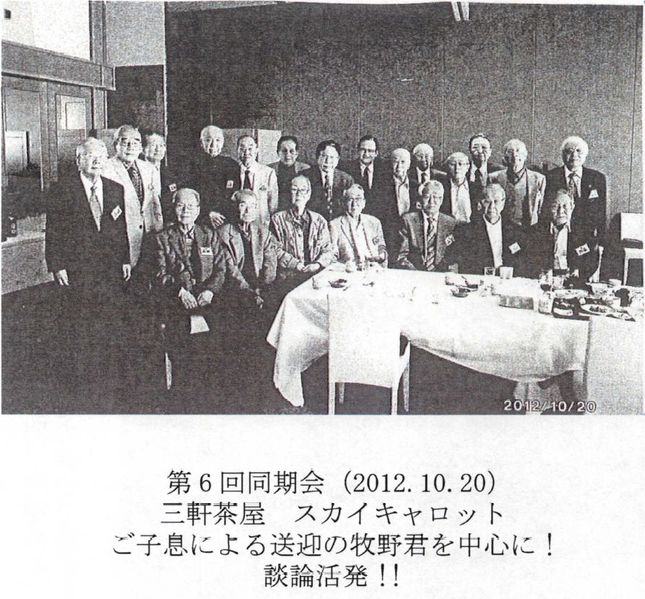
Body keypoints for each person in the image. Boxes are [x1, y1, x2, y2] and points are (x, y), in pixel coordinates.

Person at [45, 137, 131, 403]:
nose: (96, 160)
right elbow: (54, 231)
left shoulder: (115, 188)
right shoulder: (62, 190)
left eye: (100, 156)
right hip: (78, 270)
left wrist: (125, 259)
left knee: (109, 322)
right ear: (78, 160)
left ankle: (108, 379)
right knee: (81, 324)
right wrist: (57, 265)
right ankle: (82, 383)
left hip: (109, 270)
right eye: (90, 155)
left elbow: (120, 229)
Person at [102, 125, 163, 271]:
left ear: (141, 147)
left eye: (135, 142)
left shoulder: (149, 169)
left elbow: (156, 204)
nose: (131, 147)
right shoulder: (105, 169)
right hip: (122, 240)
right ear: (115, 145)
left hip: (149, 236)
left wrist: (159, 229)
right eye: (125, 142)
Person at [216, 189, 278, 307]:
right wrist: (251, 293)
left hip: (261, 287)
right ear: (235, 207)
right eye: (243, 205)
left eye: (253, 206)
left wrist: (262, 288)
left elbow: (271, 263)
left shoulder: (263, 231)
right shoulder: (223, 233)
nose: (248, 210)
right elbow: (231, 270)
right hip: (236, 289)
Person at [543, 136, 607, 247]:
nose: (574, 155)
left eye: (578, 151)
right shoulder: (550, 177)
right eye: (569, 151)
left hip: (586, 239)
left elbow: (601, 212)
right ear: (563, 155)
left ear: (585, 154)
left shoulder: (597, 178)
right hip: (557, 237)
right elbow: (544, 211)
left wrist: (601, 242)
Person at [270, 175, 333, 289]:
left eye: (303, 190)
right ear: (289, 193)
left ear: (309, 194)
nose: (299, 193)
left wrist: (317, 264)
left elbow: (328, 249)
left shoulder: (319, 220)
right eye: (294, 189)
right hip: (287, 279)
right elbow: (274, 249)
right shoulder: (277, 219)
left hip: (315, 276)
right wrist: (295, 264)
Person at [457, 183, 529, 276]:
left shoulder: (516, 231)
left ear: (503, 203)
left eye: (496, 201)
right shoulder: (468, 231)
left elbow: (523, 262)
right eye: (487, 201)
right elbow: (466, 265)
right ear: (481, 203)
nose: (492, 206)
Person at [529, 189, 600, 283]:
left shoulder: (583, 232)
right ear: (549, 208)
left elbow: (592, 258)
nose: (561, 211)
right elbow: (529, 259)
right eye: (555, 206)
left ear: (572, 207)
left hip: (573, 281)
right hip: (545, 280)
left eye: (565, 206)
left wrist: (578, 273)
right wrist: (541, 272)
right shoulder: (536, 232)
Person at [395, 180, 458, 272]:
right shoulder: (408, 220)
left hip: (441, 276)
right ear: (420, 199)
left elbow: (455, 258)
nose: (431, 202)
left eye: (435, 197)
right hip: (415, 274)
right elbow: (402, 256)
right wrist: (418, 275)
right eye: (427, 197)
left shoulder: (450, 223)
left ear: (441, 200)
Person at [490, 138, 545, 229]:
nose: (514, 154)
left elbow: (541, 208)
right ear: (505, 157)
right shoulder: (494, 178)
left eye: (518, 151)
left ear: (525, 156)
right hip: (502, 228)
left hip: (528, 229)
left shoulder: (538, 179)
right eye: (510, 151)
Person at [191, 125, 239, 227]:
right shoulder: (192, 165)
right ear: (201, 143)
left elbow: (235, 195)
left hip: (227, 220)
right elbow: (189, 196)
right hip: (200, 220)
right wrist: (208, 213)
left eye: (218, 140)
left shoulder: (232, 165)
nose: (213, 145)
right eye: (208, 140)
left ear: (223, 142)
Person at [329, 184, 387, 265]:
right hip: (349, 269)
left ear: (364, 203)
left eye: (358, 199)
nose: (354, 204)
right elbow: (332, 257)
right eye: (350, 199)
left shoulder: (374, 222)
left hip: (375, 268)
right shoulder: (335, 225)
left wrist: (382, 255)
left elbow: (381, 246)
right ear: (343, 203)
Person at [302, 140, 354, 221]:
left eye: (332, 157)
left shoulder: (346, 179)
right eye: (324, 156)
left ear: (338, 159)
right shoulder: (305, 176)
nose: (328, 161)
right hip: (312, 221)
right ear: (317, 157)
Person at [235, 134, 279, 224]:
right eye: (242, 149)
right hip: (237, 222)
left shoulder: (268, 173)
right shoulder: (231, 171)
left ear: (256, 150)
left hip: (261, 223)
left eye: (250, 148)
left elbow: (273, 205)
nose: (246, 152)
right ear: (237, 151)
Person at [375, 148, 413, 251]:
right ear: (391, 164)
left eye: (403, 162)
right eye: (395, 162)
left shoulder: (416, 186)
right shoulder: (380, 185)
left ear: (409, 164)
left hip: (411, 235)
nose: (399, 166)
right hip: (390, 234)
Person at [341, 135, 387, 204]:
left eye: (370, 151)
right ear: (358, 150)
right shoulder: (347, 169)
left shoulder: (385, 170)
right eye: (363, 150)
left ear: (376, 153)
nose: (366, 154)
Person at [268, 135, 309, 212]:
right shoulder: (269, 170)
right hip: (275, 211)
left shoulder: (306, 169)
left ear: (297, 153)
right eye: (284, 151)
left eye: (291, 151)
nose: (288, 155)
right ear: (278, 152)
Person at [143, 132, 178, 223]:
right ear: (143, 149)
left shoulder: (170, 174)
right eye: (153, 145)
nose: (158, 149)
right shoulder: (138, 172)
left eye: (162, 145)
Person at [467, 133, 503, 211]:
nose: (480, 151)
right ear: (470, 150)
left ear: (490, 151)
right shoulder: (461, 169)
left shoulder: (499, 171)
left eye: (484, 147)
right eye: (475, 147)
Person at [441, 152, 473, 223]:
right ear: (448, 167)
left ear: (467, 167)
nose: (457, 168)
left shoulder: (475, 188)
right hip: (448, 226)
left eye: (460, 164)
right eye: (452, 164)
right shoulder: (442, 187)